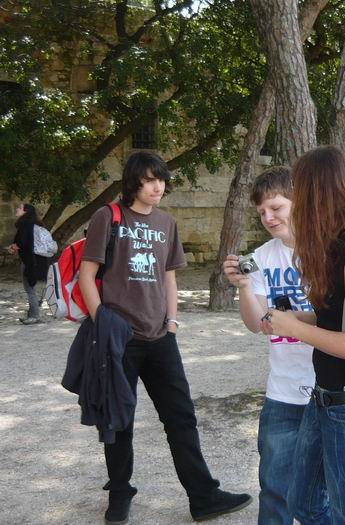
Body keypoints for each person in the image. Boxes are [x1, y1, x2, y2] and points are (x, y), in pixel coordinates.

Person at [78, 151, 252, 523]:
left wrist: (172, 322)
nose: (157, 186)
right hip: (119, 339)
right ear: (133, 181)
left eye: (161, 179)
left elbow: (169, 277)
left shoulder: (166, 222)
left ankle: (203, 497)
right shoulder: (108, 217)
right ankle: (119, 494)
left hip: (160, 338)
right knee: (118, 421)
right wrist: (102, 322)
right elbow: (86, 274)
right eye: (149, 179)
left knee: (181, 417)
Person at [262, 145, 345, 524]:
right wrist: (299, 318)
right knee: (304, 503)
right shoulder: (336, 249)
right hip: (327, 398)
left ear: (316, 193)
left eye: (299, 190)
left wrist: (294, 329)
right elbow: (338, 319)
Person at [222, 166, 321, 524]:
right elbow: (256, 324)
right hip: (283, 391)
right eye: (262, 211)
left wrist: (292, 320)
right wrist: (245, 287)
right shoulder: (261, 257)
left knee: (323, 494)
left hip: (330, 390)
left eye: (276, 207)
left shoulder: (330, 250)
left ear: (299, 202)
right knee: (275, 487)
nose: (268, 217)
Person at [8, 203, 49, 324]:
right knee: (30, 288)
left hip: (29, 261)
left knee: (30, 289)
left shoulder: (25, 224)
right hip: (36, 260)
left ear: (26, 212)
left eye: (19, 208)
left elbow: (22, 242)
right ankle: (32, 315)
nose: (17, 209)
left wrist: (13, 247)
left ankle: (34, 316)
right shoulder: (34, 224)